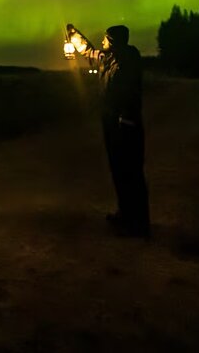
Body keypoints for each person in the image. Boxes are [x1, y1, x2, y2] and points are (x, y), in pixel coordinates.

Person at [68, 23, 150, 238]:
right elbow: (87, 50)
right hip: (111, 122)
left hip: (127, 125)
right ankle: (125, 214)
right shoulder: (107, 57)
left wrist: (126, 117)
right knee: (118, 170)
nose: (102, 42)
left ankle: (139, 223)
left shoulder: (128, 61)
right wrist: (74, 34)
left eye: (105, 38)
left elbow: (128, 93)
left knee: (131, 172)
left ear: (113, 41)